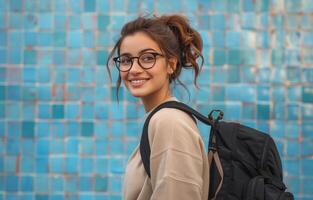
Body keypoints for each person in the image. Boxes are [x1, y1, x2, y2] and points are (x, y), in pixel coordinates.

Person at [106, 14, 209, 200]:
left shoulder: (169, 122)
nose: (134, 69)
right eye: (126, 60)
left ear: (171, 64)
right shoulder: (159, 119)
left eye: (147, 58)